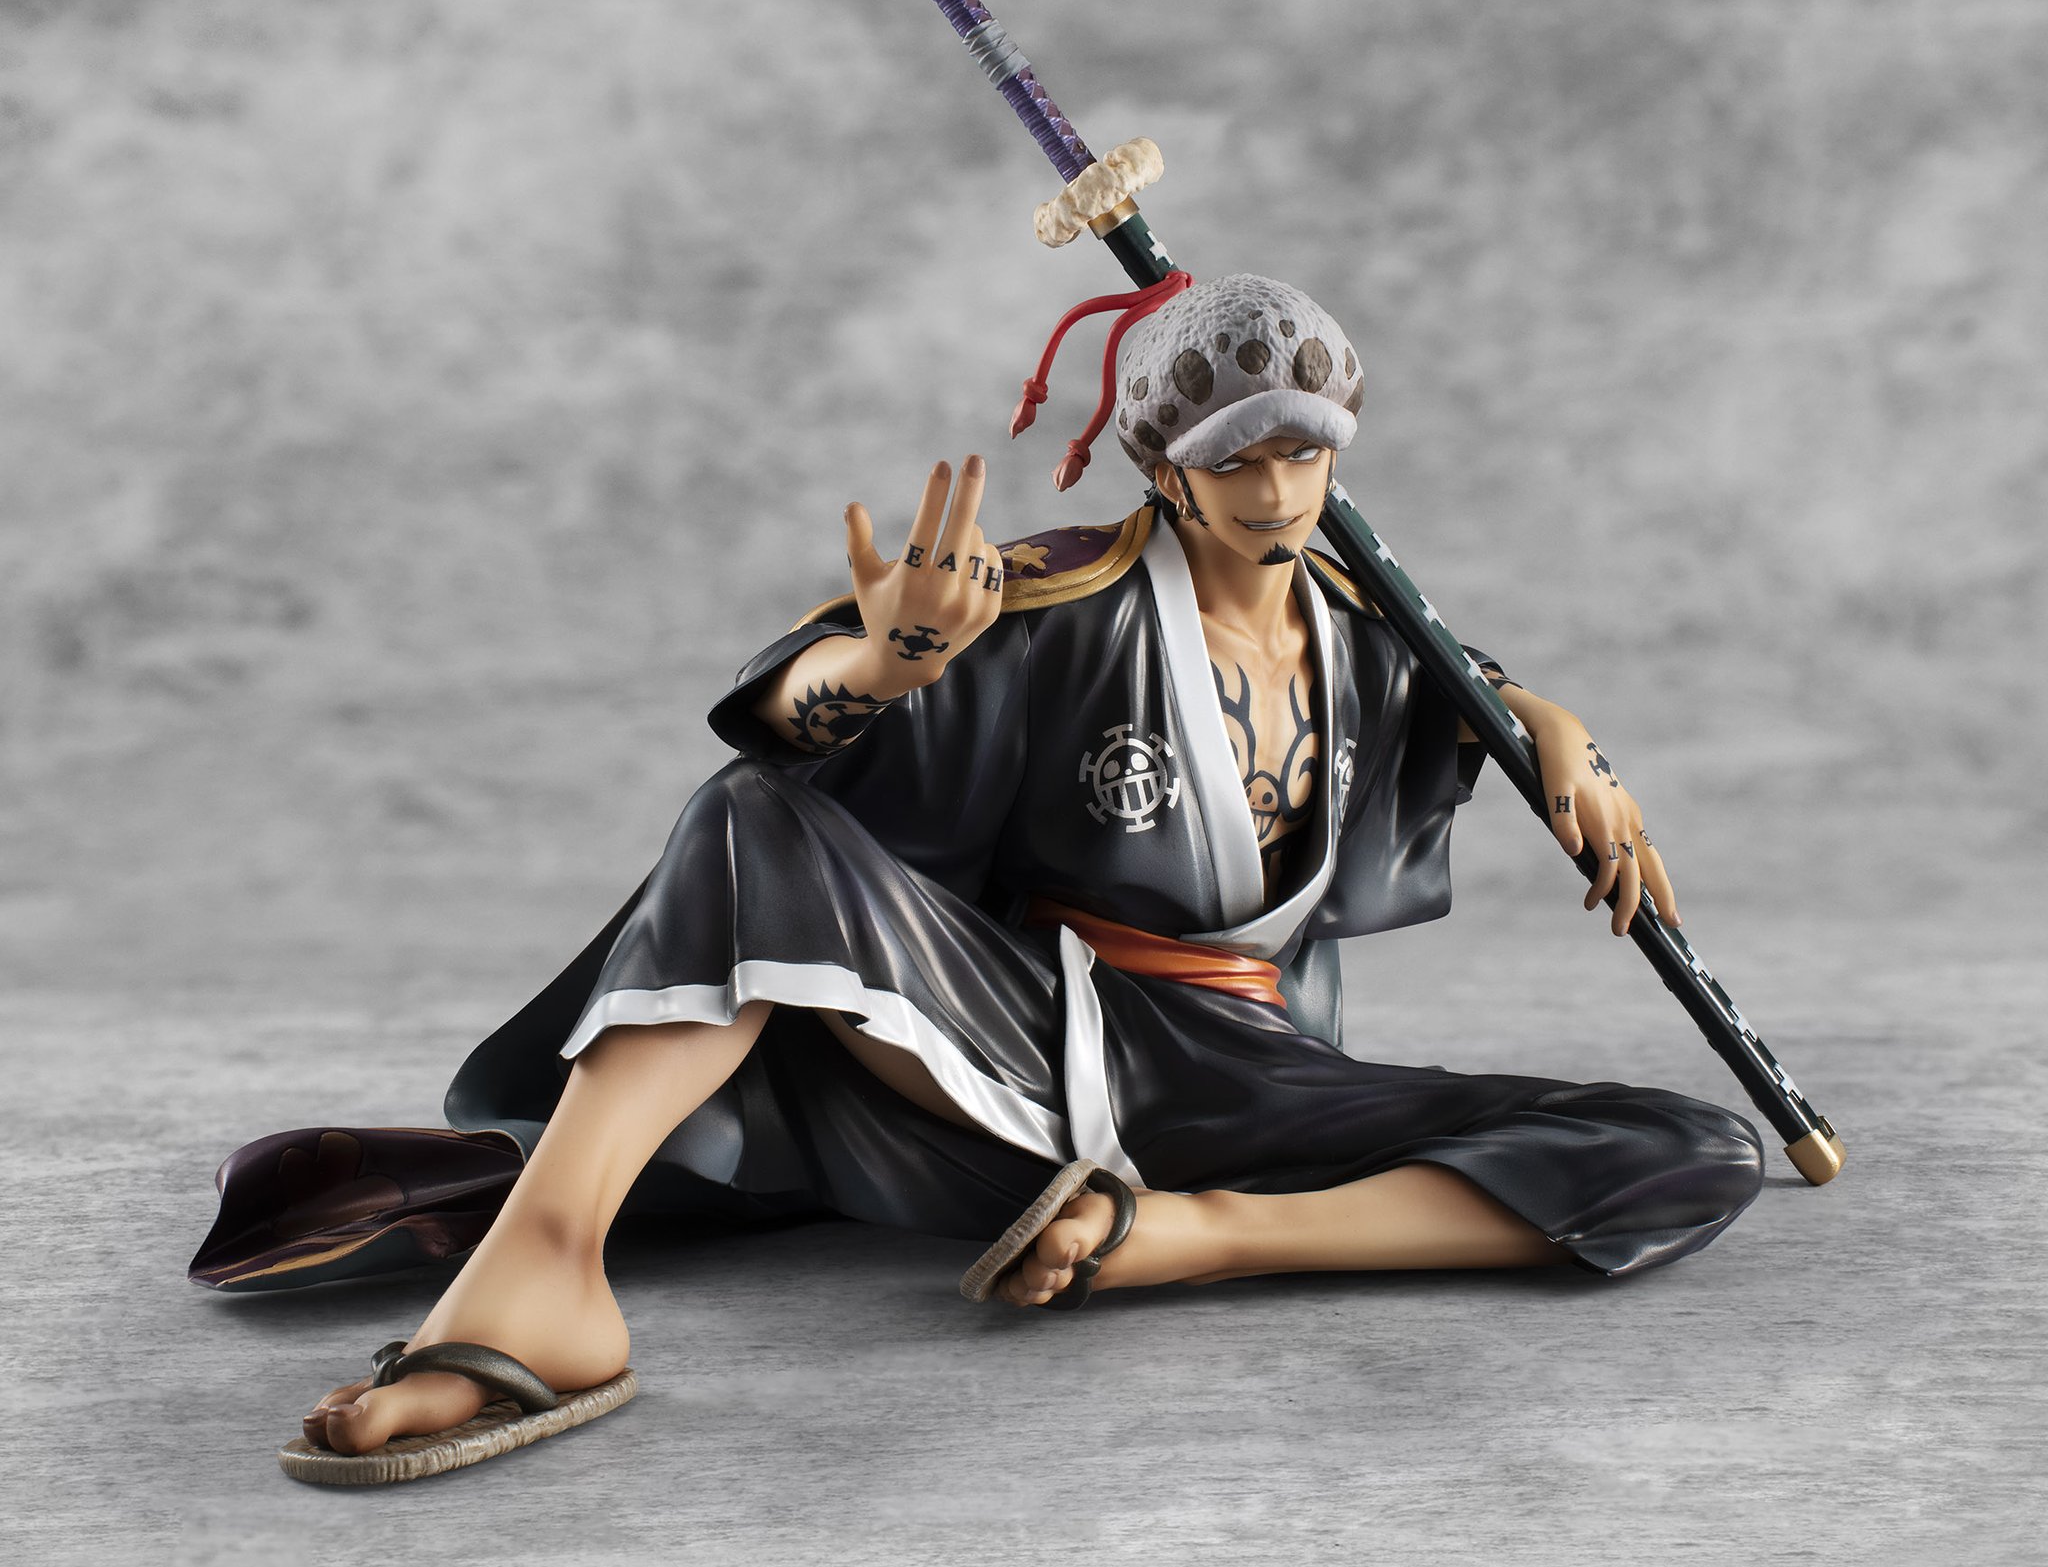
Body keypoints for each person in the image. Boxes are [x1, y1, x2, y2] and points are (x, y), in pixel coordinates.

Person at [259, 274, 1763, 1469]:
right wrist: (885, 665)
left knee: (1688, 1148)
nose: (1274, 488)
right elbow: (795, 717)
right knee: (750, 818)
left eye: (1303, 451)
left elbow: (1474, 685)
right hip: (1022, 1042)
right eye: (1235, 456)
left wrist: (1560, 735)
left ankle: (1183, 1239)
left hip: (1254, 1079)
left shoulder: (1372, 634)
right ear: (1165, 466)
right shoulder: (1061, 604)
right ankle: (547, 1272)